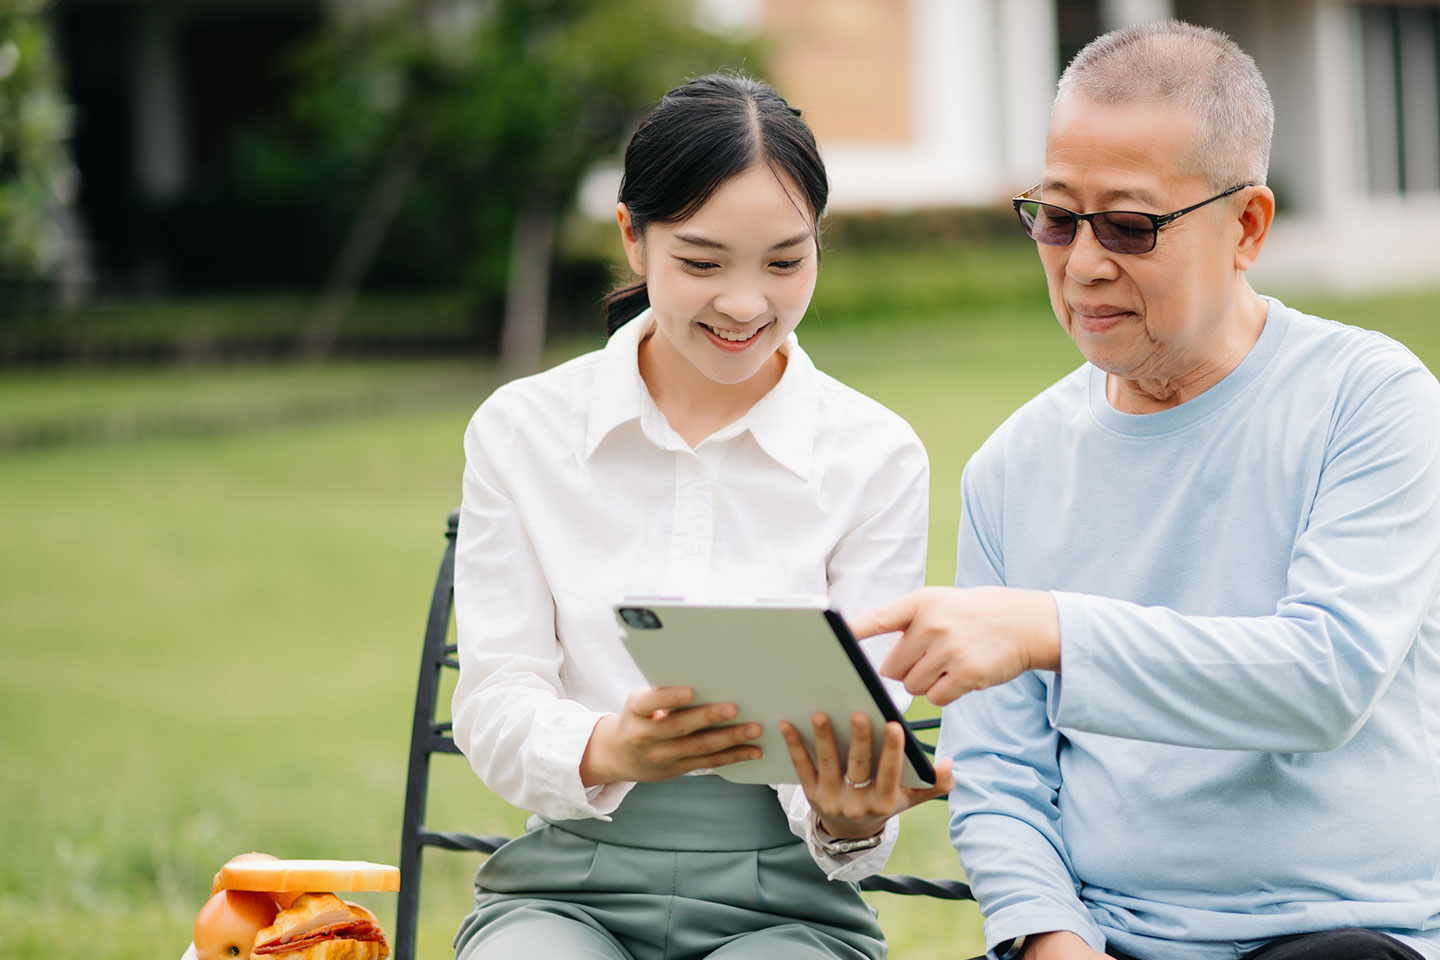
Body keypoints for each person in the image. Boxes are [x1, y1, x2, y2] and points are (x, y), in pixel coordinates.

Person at [848, 20, 1440, 960]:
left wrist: (1051, 629)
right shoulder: (1012, 467)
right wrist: (1049, 938)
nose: (1082, 263)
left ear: (1246, 226)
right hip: (1108, 939)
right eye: (1054, 216)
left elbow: (1324, 678)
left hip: (1341, 935)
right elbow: (1002, 778)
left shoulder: (1371, 401)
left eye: (1129, 225)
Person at [449, 72, 953, 960]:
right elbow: (494, 700)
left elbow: (864, 744)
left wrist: (848, 815)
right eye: (702, 262)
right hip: (568, 893)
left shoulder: (874, 454)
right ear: (633, 240)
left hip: (788, 906)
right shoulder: (523, 432)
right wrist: (610, 747)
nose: (746, 304)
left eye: (787, 262)